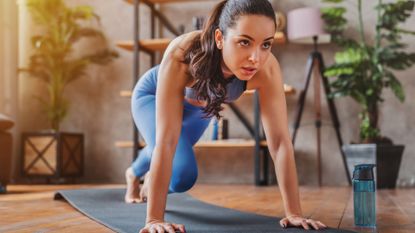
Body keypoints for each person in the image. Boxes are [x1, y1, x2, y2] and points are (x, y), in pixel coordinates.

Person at [125, 0, 328, 232]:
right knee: (179, 165)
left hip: (200, 106)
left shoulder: (266, 69)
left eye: (266, 45)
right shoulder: (182, 53)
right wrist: (154, 220)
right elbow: (166, 141)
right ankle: (134, 173)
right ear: (220, 38)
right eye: (244, 42)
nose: (255, 58)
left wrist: (294, 213)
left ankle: (142, 175)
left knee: (181, 180)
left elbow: (280, 143)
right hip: (151, 95)